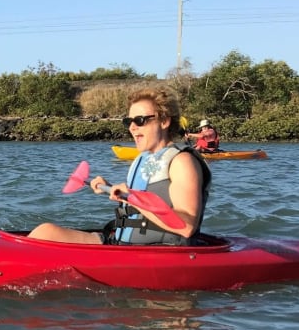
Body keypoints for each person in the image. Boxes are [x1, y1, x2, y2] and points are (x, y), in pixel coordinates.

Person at [28, 86, 211, 245]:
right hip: (123, 243)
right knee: (46, 231)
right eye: (128, 121)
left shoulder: (182, 162)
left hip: (161, 251)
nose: (132, 127)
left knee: (44, 233)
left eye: (140, 120)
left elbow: (186, 226)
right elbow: (139, 201)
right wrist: (109, 186)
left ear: (164, 121)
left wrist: (130, 197)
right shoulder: (144, 158)